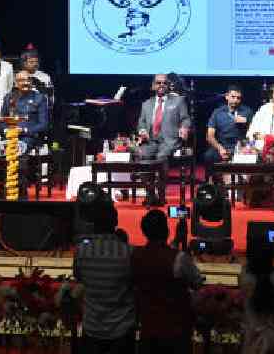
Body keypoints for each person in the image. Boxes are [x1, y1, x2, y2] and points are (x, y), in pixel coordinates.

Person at [131, 209, 203, 354]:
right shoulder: (180, 259)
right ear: (166, 230)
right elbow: (197, 283)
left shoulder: (134, 256)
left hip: (148, 329)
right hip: (177, 332)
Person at [73, 205, 136, 354]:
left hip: (92, 328)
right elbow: (134, 283)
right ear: (115, 222)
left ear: (93, 223)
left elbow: (79, 277)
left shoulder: (81, 251)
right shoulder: (129, 252)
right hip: (122, 330)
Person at [136, 74, 191, 204]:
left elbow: (186, 119)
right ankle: (150, 193)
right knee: (142, 156)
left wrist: (184, 127)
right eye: (158, 83)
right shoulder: (146, 104)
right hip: (150, 141)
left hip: (169, 141)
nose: (161, 85)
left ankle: (161, 195)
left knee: (161, 157)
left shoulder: (178, 101)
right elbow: (141, 123)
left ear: (168, 86)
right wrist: (142, 130)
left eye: (164, 83)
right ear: (153, 86)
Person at [204, 85, 252, 178]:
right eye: (233, 97)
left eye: (238, 98)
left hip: (240, 147)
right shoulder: (217, 112)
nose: (235, 100)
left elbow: (254, 133)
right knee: (208, 156)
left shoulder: (247, 112)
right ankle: (211, 185)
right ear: (227, 96)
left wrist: (246, 123)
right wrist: (220, 149)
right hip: (222, 146)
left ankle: (244, 185)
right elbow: (209, 136)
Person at [0, 71, 49, 152]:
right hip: (10, 136)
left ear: (31, 82)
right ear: (16, 83)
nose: (26, 82)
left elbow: (43, 124)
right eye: (22, 80)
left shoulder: (39, 98)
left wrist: (24, 130)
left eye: (28, 80)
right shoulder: (9, 97)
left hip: (29, 137)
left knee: (17, 148)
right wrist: (6, 130)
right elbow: (1, 121)